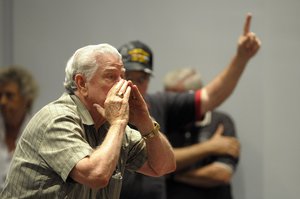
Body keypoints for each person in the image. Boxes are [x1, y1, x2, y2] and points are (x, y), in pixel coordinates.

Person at [0, 43, 176, 199]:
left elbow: (163, 166)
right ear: (82, 83)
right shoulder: (56, 119)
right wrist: (118, 123)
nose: (123, 85)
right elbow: (96, 175)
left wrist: (145, 121)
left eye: (122, 76)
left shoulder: (110, 123)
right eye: (111, 77)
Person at [119, 13, 260, 199]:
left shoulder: (159, 104)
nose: (134, 84)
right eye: (128, 76)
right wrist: (210, 147)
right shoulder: (103, 112)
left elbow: (211, 95)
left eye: (142, 78)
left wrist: (241, 58)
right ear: (117, 75)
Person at [164, 67, 239, 199]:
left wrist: (173, 175)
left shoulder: (221, 122)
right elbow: (158, 161)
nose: (172, 105)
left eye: (178, 99)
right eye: (168, 98)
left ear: (197, 97)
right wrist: (210, 147)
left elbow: (221, 174)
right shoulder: (161, 121)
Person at [0, 65, 38, 190]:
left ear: (26, 99)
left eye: (9, 96)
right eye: (0, 95)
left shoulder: (38, 132)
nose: (3, 102)